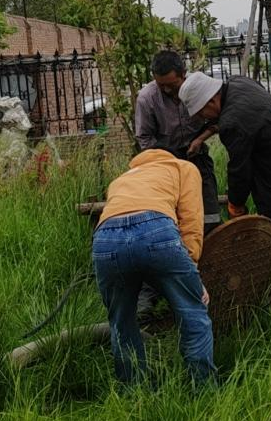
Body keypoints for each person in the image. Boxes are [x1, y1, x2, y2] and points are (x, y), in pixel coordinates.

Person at [179, 73, 271, 288]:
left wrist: (235, 205)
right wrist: (201, 137)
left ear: (212, 101)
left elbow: (239, 170)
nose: (203, 119)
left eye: (201, 114)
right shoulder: (238, 83)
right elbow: (247, 119)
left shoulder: (234, 123)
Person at [92, 148, 216, 385]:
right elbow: (191, 221)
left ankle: (133, 391)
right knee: (193, 310)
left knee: (121, 321)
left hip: (105, 238)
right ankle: (204, 388)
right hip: (155, 228)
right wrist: (192, 271)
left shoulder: (121, 179)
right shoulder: (183, 168)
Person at [135, 50, 221, 235]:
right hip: (165, 162)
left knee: (210, 212)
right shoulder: (146, 98)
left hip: (196, 154)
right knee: (175, 213)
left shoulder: (198, 87)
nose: (167, 90)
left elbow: (218, 119)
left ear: (183, 75)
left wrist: (199, 140)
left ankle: (211, 241)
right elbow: (144, 138)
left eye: (172, 85)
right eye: (161, 85)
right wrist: (166, 160)